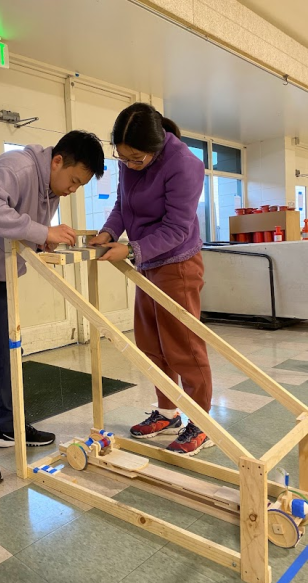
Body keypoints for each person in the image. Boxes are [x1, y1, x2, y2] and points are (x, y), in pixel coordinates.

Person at [0, 131, 105, 486]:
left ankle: (10, 427)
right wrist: (42, 231)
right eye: (73, 180)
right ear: (57, 160)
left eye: (80, 185)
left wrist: (43, 241)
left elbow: (25, 229)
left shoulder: (50, 188)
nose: (73, 189)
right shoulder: (18, 167)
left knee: (10, 345)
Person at [89, 103, 213, 456]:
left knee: (184, 346)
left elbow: (177, 228)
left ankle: (202, 422)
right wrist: (109, 231)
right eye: (122, 157)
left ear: (156, 148)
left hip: (177, 263)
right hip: (146, 262)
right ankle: (168, 412)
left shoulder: (185, 165)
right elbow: (122, 204)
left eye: (136, 159)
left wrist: (130, 250)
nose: (128, 164)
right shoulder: (129, 161)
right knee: (151, 343)